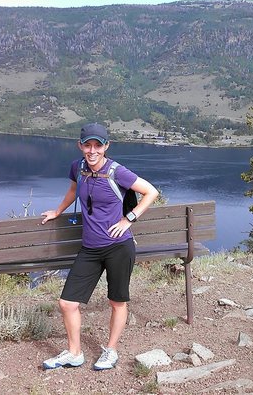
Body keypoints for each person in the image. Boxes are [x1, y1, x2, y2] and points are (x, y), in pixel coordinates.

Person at [40, 123, 159, 371]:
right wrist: (57, 211)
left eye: (97, 145)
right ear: (80, 145)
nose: (92, 150)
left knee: (117, 302)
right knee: (67, 303)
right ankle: (74, 353)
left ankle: (111, 350)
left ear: (106, 146)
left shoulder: (118, 172)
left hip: (118, 247)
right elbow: (74, 189)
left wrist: (129, 219)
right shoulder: (78, 167)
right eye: (87, 145)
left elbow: (151, 192)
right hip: (90, 248)